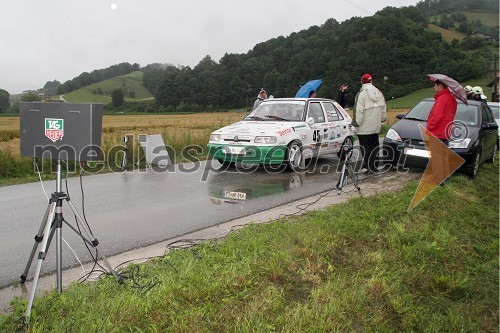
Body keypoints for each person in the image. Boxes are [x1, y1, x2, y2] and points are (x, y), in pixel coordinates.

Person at [354, 74, 387, 173]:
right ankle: (374, 165)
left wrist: (357, 123)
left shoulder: (361, 94)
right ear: (371, 81)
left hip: (364, 127)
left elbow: (359, 110)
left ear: (362, 82)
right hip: (376, 126)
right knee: (374, 146)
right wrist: (382, 119)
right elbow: (383, 109)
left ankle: (369, 166)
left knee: (365, 147)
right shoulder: (379, 92)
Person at [427, 79, 457, 143]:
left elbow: (436, 116)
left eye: (435, 85)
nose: (434, 87)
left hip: (437, 132)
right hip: (446, 132)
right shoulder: (451, 97)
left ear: (440, 86)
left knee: (435, 152)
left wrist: (429, 127)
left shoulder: (442, 98)